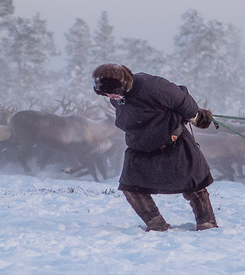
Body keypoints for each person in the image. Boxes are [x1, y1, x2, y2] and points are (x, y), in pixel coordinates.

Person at [92, 63, 218, 231]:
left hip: (173, 143)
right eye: (105, 94)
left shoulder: (152, 86)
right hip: (139, 148)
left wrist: (198, 117)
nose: (108, 96)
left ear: (122, 85)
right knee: (131, 187)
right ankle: (156, 225)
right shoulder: (117, 97)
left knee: (193, 185)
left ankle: (207, 224)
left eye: (110, 92)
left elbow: (181, 100)